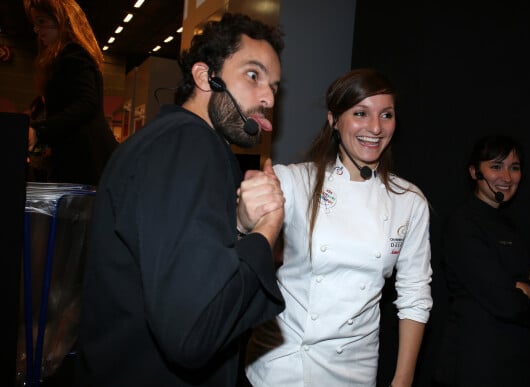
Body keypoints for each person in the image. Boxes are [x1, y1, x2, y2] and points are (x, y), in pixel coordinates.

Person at [76, 13, 286, 386]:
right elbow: (193, 332)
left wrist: (238, 224)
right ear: (205, 77)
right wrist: (266, 230)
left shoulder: (170, 142)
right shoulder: (189, 145)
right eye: (253, 75)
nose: (268, 97)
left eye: (273, 86)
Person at [244, 68, 433, 387]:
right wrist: (246, 210)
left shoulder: (409, 201)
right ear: (334, 120)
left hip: (354, 367)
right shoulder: (294, 181)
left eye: (386, 115)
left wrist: (403, 378)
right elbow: (245, 237)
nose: (375, 127)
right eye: (361, 113)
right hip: (284, 362)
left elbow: (415, 293)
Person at [433, 134, 530, 387]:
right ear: (474, 171)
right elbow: (504, 301)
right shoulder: (463, 224)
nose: (507, 177)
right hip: (475, 363)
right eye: (496, 166)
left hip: (514, 362)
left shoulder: (511, 226)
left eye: (515, 167)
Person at [24, 0, 118, 186]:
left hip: (86, 158)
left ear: (61, 20)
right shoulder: (71, 55)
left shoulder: (74, 54)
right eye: (36, 24)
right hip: (84, 157)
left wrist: (40, 131)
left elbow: (86, 104)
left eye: (41, 21)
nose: (37, 30)